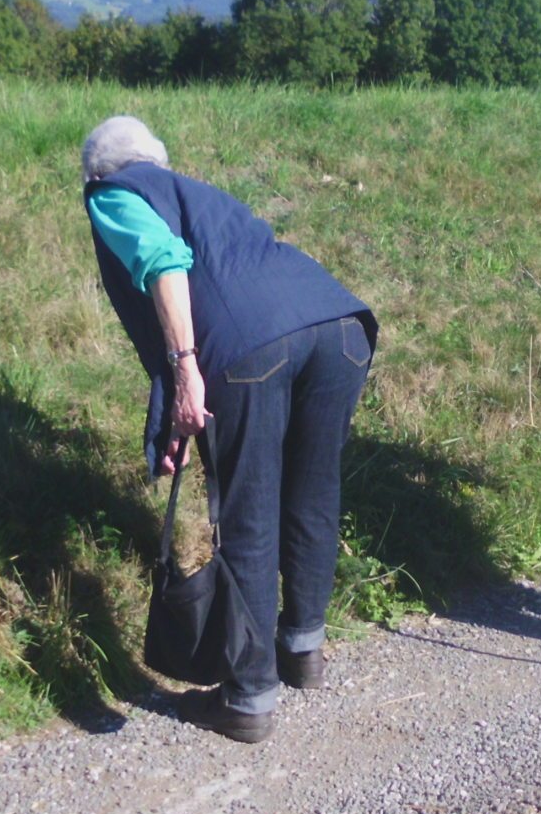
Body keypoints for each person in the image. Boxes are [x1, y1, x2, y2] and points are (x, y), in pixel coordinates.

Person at [81, 116, 376, 742]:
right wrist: (172, 412)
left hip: (253, 350)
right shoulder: (193, 191)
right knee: (313, 495)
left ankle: (247, 698)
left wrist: (187, 372)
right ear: (157, 158)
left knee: (248, 512)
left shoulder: (114, 193)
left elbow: (163, 263)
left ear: (97, 171)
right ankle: (302, 650)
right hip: (339, 326)